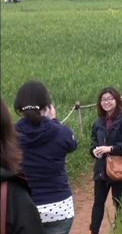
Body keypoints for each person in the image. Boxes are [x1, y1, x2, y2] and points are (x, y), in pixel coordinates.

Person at [13, 80, 78, 234]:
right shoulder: (61, 131)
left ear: (19, 106)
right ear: (47, 106)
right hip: (60, 207)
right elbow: (72, 145)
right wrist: (54, 121)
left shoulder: (10, 135)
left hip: (25, 209)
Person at [89, 87, 122, 234]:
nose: (107, 102)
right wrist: (94, 150)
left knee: (118, 203)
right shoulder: (98, 122)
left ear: (117, 100)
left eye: (110, 99)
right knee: (98, 203)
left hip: (119, 169)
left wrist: (110, 149)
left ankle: (121, 230)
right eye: (103, 100)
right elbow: (93, 142)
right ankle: (94, 231)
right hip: (101, 170)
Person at [1, 96, 46, 234]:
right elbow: (71, 143)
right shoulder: (11, 194)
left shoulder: (19, 130)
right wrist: (53, 121)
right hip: (57, 203)